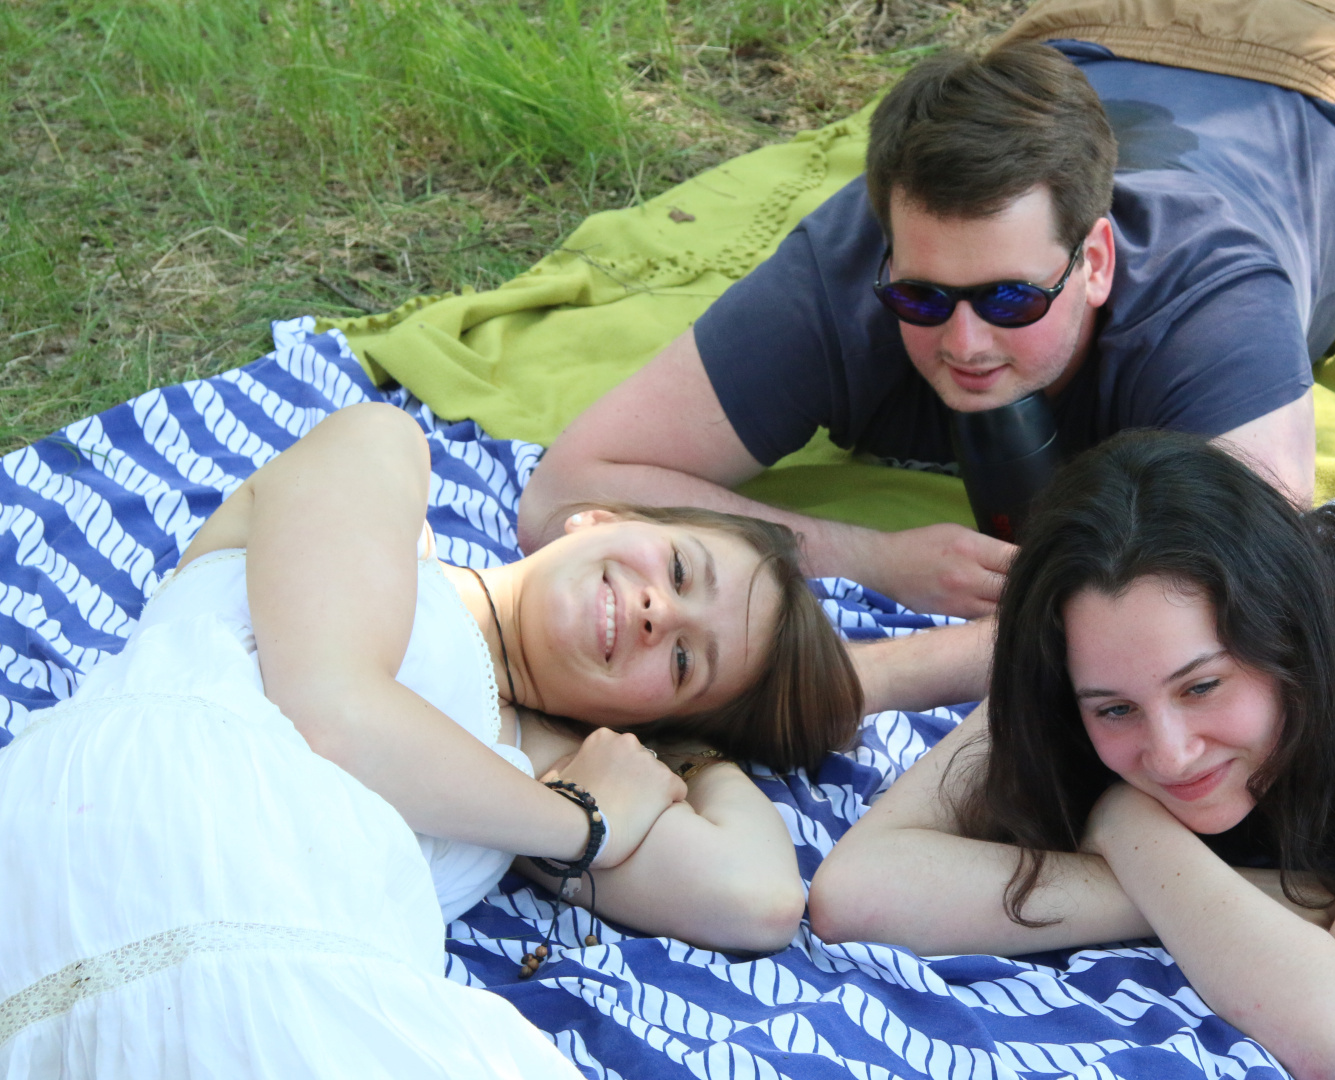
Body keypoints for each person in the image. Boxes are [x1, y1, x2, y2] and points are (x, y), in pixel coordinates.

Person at [515, 0, 1335, 712]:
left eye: (1009, 299)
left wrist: (874, 679)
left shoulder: (1210, 297)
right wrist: (870, 559)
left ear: (1095, 261)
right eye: (922, 299)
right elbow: (568, 489)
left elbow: (1238, 597)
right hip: (1098, 28)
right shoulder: (847, 270)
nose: (963, 343)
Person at [810, 314, 1335, 1080]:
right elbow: (858, 892)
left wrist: (1124, 828)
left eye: (1201, 685)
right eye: (1115, 709)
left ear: (1284, 639)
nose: (1168, 755)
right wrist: (1178, 864)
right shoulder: (1104, 657)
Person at [0, 402, 861, 1076]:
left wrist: (688, 757)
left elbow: (757, 900)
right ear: (596, 519)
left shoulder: (537, 767)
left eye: (683, 662)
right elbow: (333, 711)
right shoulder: (379, 458)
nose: (655, 610)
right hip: (118, 834)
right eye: (677, 568)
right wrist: (582, 823)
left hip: (305, 992)